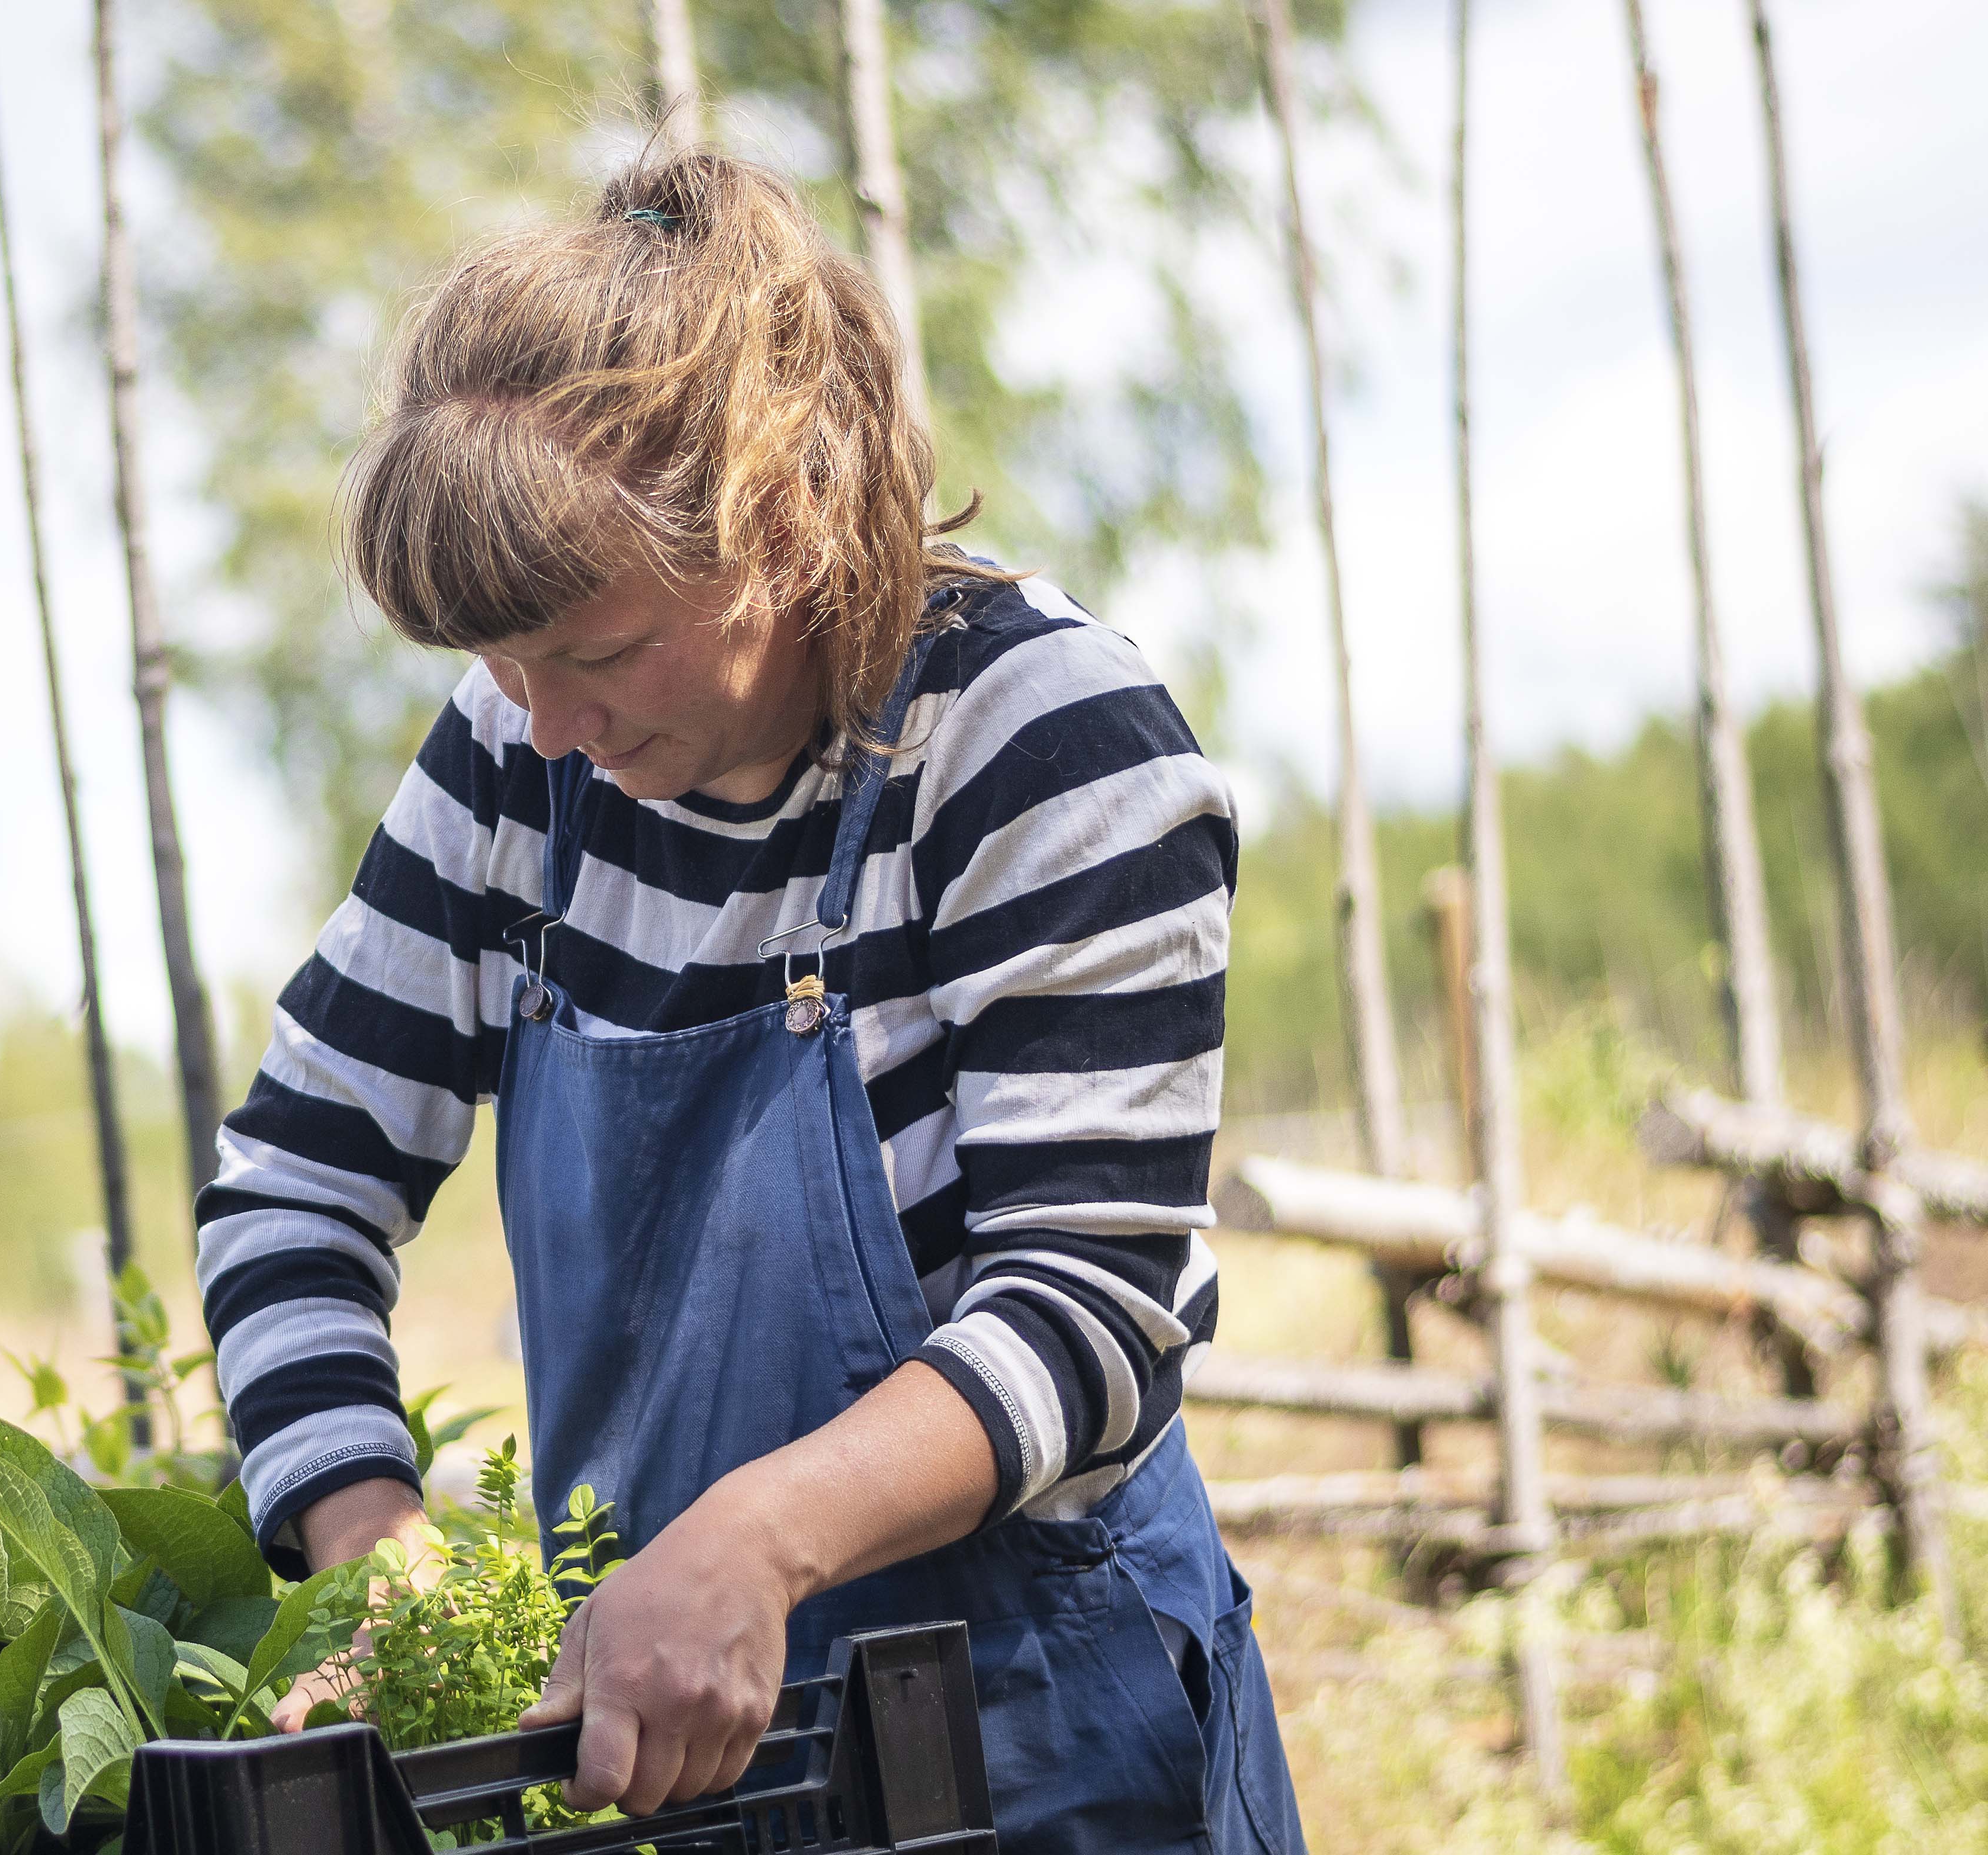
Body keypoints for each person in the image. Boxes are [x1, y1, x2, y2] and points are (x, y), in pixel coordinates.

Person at [197, 146, 1308, 1852]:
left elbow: (1089, 1301)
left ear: (781, 520)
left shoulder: (1036, 741)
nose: (545, 726)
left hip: (1045, 1734)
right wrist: (373, 1548)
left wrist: (754, 1540)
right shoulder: (513, 769)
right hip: (665, 1759)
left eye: (593, 648)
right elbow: (293, 1185)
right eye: (497, 667)